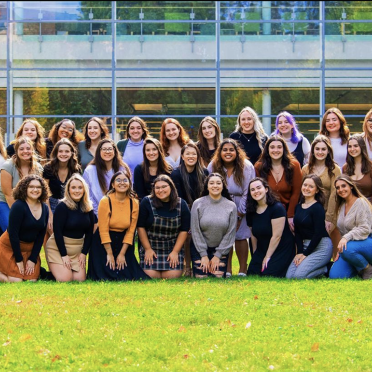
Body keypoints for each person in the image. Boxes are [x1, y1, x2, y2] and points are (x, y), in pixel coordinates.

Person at [88, 171, 148, 281]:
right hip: (104, 241)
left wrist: (122, 254)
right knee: (105, 276)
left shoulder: (134, 202)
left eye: (125, 180)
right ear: (113, 184)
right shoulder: (106, 201)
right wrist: (109, 254)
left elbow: (131, 231)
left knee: (128, 275)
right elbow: (103, 229)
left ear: (129, 184)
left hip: (123, 241)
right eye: (118, 180)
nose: (122, 183)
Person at [208, 138, 255, 276]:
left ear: (236, 152)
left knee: (240, 237)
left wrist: (240, 213)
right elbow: (209, 185)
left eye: (231, 150)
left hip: (242, 204)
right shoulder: (213, 165)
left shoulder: (246, 166)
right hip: (220, 205)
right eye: (225, 150)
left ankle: (242, 268)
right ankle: (226, 269)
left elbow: (248, 191)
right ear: (220, 152)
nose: (228, 152)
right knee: (225, 237)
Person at [137, 175, 190, 279]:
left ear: (171, 187)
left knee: (172, 276)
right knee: (151, 275)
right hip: (152, 247)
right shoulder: (146, 202)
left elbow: (184, 230)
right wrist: (147, 249)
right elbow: (140, 227)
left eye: (164, 187)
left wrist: (175, 252)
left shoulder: (181, 204)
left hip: (172, 248)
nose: (160, 190)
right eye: (157, 188)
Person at [44, 174, 94, 282]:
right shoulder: (62, 207)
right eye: (73, 187)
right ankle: (49, 274)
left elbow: (90, 234)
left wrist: (84, 253)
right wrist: (64, 255)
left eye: (80, 188)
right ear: (68, 190)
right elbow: (57, 232)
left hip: (77, 250)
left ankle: (61, 270)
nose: (77, 191)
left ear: (84, 190)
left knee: (79, 279)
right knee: (65, 279)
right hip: (58, 248)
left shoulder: (88, 208)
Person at [0, 175, 49, 282]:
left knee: (32, 280)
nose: (35, 190)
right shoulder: (18, 206)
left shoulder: (45, 207)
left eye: (38, 187)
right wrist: (19, 260)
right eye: (31, 187)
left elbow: (41, 236)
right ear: (24, 188)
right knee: (15, 280)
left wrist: (32, 259)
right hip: (10, 247)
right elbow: (13, 234)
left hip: (29, 250)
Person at [171, 143, 209, 277]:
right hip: (184, 210)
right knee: (187, 236)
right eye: (188, 154)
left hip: (202, 210)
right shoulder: (176, 173)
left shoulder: (204, 172)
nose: (191, 156)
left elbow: (206, 195)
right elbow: (178, 198)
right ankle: (188, 266)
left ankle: (201, 263)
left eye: (194, 154)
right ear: (182, 156)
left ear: (198, 156)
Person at [246, 177, 295, 277]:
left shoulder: (277, 208)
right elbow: (253, 235)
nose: (256, 191)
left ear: (266, 189)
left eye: (259, 188)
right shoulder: (251, 211)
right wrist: (256, 255)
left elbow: (276, 236)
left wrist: (267, 257)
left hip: (281, 248)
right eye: (252, 190)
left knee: (268, 274)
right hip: (263, 248)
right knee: (252, 273)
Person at [302, 135, 341, 259]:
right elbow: (302, 192)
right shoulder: (306, 169)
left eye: (323, 149)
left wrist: (329, 217)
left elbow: (335, 194)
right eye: (317, 149)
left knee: (330, 242)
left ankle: (335, 263)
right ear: (312, 151)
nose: (320, 152)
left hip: (329, 211)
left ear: (328, 151)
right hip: (311, 212)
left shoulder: (335, 169)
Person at [190, 173, 237, 278]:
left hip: (220, 249)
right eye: (211, 183)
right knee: (202, 277)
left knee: (217, 277)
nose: (215, 186)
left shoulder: (231, 206)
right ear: (207, 186)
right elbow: (195, 230)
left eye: (218, 183)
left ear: (223, 186)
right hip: (199, 248)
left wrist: (218, 255)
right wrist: (203, 255)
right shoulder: (198, 204)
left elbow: (230, 233)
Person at [286, 175, 333, 279]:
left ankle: (326, 268)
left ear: (316, 190)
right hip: (306, 245)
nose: (306, 188)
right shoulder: (298, 207)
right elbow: (297, 232)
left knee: (299, 276)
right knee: (289, 276)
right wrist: (300, 252)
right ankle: (315, 267)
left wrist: (305, 254)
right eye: (305, 185)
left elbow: (318, 234)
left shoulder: (317, 208)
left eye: (311, 186)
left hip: (321, 246)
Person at [255, 135, 302, 232]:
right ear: (267, 150)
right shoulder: (259, 167)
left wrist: (290, 215)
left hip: (288, 211)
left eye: (279, 147)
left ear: (284, 149)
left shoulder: (294, 165)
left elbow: (296, 192)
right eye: (272, 147)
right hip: (266, 211)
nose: (276, 150)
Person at [329, 175, 372, 280]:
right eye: (338, 188)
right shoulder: (341, 205)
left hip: (367, 242)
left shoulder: (361, 202)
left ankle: (368, 269)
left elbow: (365, 229)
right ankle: (358, 266)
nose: (341, 190)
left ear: (351, 186)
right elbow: (343, 232)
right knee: (335, 275)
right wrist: (340, 249)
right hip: (350, 247)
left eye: (344, 186)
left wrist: (345, 238)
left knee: (347, 249)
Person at [0, 137, 43, 232]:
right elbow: (8, 194)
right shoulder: (7, 167)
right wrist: (21, 213)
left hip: (28, 202)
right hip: (5, 202)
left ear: (32, 150)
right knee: (11, 226)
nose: (25, 151)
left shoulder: (38, 168)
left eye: (28, 148)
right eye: (21, 149)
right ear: (16, 151)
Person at [83, 138, 130, 217]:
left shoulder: (122, 169)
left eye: (110, 149)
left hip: (119, 214)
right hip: (95, 215)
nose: (107, 152)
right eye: (104, 149)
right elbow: (87, 195)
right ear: (99, 151)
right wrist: (99, 213)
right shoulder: (90, 170)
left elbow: (128, 192)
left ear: (114, 151)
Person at [342, 134, 372, 202]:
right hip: (351, 207)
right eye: (349, 146)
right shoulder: (345, 168)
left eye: (355, 146)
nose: (352, 149)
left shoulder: (371, 167)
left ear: (362, 147)